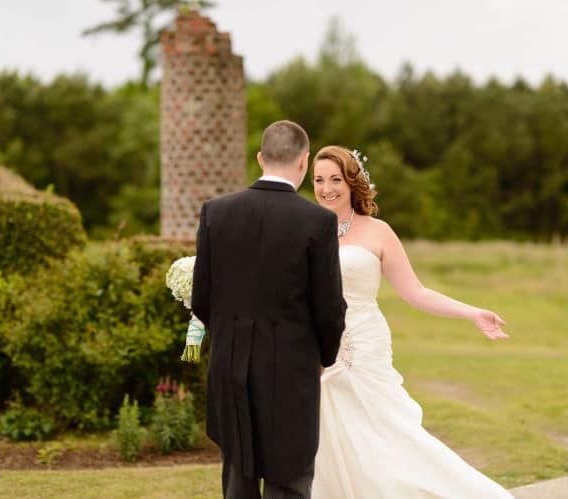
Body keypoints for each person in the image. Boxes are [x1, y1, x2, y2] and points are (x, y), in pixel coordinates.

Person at [310, 145, 512, 498]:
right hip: (321, 352)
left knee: (384, 436)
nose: (327, 188)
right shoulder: (305, 230)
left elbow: (416, 292)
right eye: (319, 180)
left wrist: (472, 313)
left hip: (364, 345)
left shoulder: (378, 231)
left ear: (352, 182)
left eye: (335, 179)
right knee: (331, 439)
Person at [191, 120, 347, 499]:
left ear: (261, 158)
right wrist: (323, 356)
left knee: (238, 478)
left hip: (230, 368)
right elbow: (329, 308)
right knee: (289, 478)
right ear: (303, 162)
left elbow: (201, 298)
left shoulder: (216, 212)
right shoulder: (317, 222)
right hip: (290, 371)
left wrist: (231, 338)